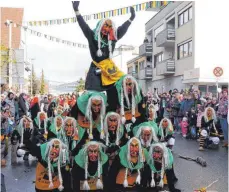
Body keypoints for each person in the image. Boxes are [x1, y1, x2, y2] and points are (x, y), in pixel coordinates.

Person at [72, 1, 135, 91]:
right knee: (94, 94)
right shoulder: (92, 36)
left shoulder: (112, 39)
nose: (107, 28)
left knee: (125, 82)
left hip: (110, 68)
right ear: (100, 26)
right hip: (96, 69)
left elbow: (122, 29)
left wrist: (131, 19)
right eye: (105, 25)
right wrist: (76, 11)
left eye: (110, 27)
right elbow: (84, 26)